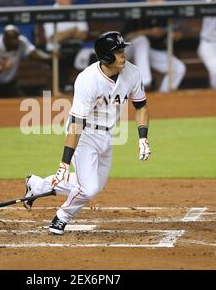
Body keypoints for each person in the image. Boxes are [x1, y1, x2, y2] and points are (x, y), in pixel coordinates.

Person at [23, 31, 151, 235]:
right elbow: (76, 124)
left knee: (94, 185)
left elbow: (141, 107)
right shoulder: (88, 80)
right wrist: (64, 163)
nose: (124, 55)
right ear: (106, 56)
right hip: (85, 134)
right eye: (118, 52)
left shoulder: (133, 73)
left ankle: (38, 185)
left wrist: (143, 138)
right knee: (88, 189)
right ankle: (62, 217)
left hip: (108, 135)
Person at [122, 0, 186, 92]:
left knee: (179, 68)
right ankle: (145, 83)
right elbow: (125, 38)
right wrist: (149, 32)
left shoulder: (165, 14)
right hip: (127, 52)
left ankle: (162, 97)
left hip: (148, 53)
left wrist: (173, 36)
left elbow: (167, 38)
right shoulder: (137, 11)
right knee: (142, 40)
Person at [0, 25, 51, 99]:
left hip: (9, 84)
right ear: (4, 38)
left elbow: (32, 53)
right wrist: (0, 68)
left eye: (15, 40)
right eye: (11, 41)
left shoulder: (21, 41)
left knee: (22, 105)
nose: (14, 43)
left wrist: (48, 57)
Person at [43, 0, 89, 93]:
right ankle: (63, 89)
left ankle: (87, 90)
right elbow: (54, 37)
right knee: (58, 55)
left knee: (92, 56)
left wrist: (65, 34)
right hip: (58, 49)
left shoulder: (77, 11)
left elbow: (83, 34)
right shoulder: (49, 12)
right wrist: (73, 31)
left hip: (76, 49)